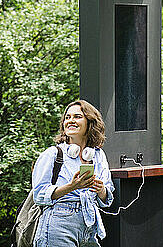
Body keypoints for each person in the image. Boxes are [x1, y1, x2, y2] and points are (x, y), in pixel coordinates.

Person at [31, 100, 114, 247]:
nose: (71, 121)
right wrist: (72, 186)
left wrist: (100, 189)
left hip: (89, 228)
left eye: (77, 117)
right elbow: (39, 195)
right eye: (67, 117)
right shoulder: (52, 154)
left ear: (90, 122)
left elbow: (107, 198)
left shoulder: (98, 155)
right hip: (59, 225)